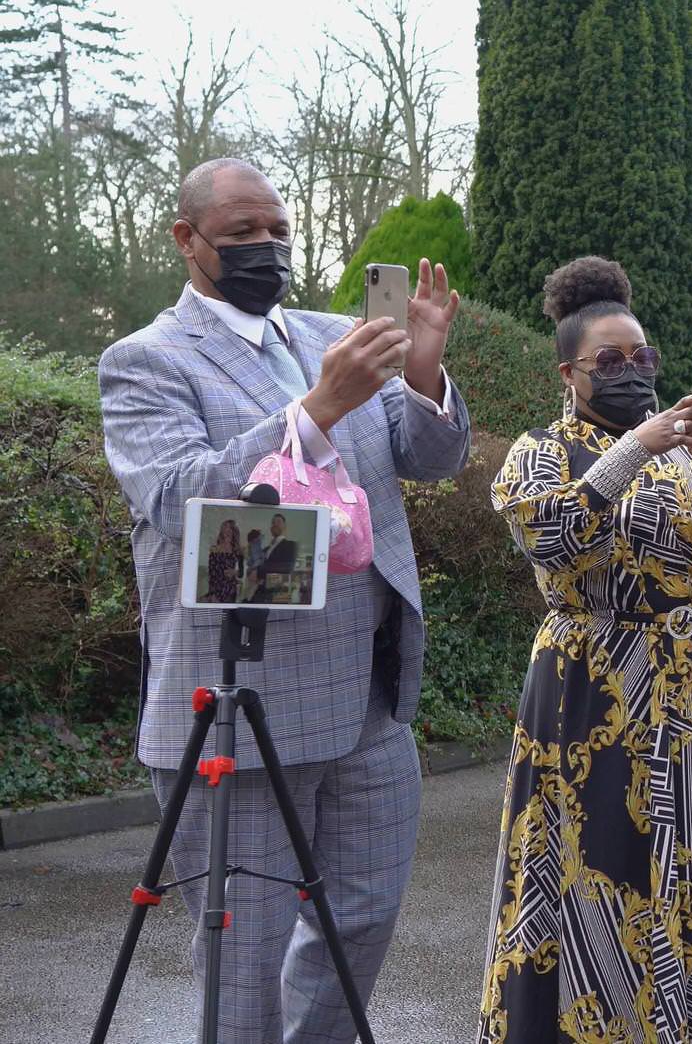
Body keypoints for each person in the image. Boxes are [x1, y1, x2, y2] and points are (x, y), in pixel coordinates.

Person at [98, 157, 470, 1042]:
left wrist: (421, 375)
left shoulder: (331, 332)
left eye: (277, 229)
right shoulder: (145, 362)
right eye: (241, 235)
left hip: (370, 697)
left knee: (363, 922)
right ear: (188, 241)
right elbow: (181, 497)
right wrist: (315, 412)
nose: (268, 247)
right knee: (242, 953)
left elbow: (430, 461)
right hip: (242, 706)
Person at [481, 256, 692, 1044]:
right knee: (599, 867)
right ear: (569, 371)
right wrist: (637, 448)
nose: (631, 372)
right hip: (595, 693)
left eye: (642, 358)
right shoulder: (539, 452)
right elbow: (552, 533)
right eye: (608, 362)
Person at [252, 512, 300, 604]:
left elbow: (288, 567)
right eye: (273, 522)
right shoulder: (266, 549)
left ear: (285, 526)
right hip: (260, 592)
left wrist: (258, 571)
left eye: (278, 522)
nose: (275, 524)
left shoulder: (291, 545)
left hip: (278, 593)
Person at [207, 518, 243, 603]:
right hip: (216, 586)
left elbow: (241, 573)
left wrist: (234, 572)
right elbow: (211, 572)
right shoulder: (214, 549)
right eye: (225, 527)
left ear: (234, 531)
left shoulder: (238, 550)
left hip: (230, 588)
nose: (227, 529)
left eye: (230, 528)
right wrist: (212, 593)